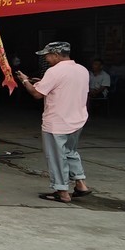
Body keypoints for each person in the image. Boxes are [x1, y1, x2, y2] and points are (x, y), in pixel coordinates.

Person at [17, 41, 92, 203]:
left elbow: (36, 94)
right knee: (70, 152)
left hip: (57, 122)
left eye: (48, 56)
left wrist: (25, 81)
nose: (46, 59)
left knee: (57, 157)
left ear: (57, 55)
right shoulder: (82, 70)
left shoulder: (54, 72)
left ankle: (62, 192)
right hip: (78, 119)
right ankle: (81, 183)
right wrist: (41, 81)